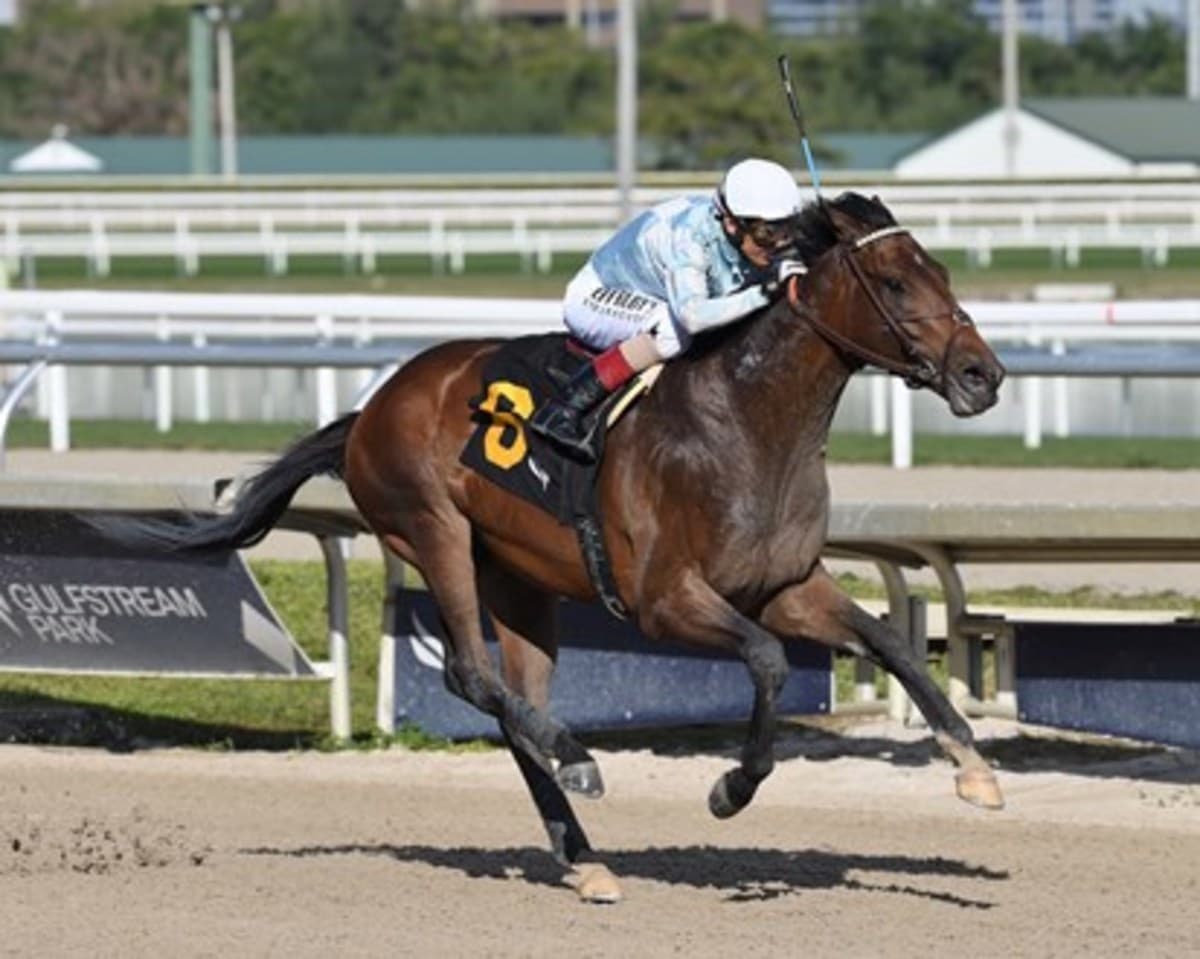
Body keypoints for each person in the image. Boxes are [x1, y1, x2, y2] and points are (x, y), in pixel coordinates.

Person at [528, 157, 807, 462]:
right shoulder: (689, 239)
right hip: (596, 298)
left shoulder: (742, 231)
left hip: (651, 294)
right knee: (672, 330)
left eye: (786, 229)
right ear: (731, 223)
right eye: (767, 233)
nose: (779, 243)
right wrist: (766, 292)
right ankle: (562, 410)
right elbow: (694, 317)